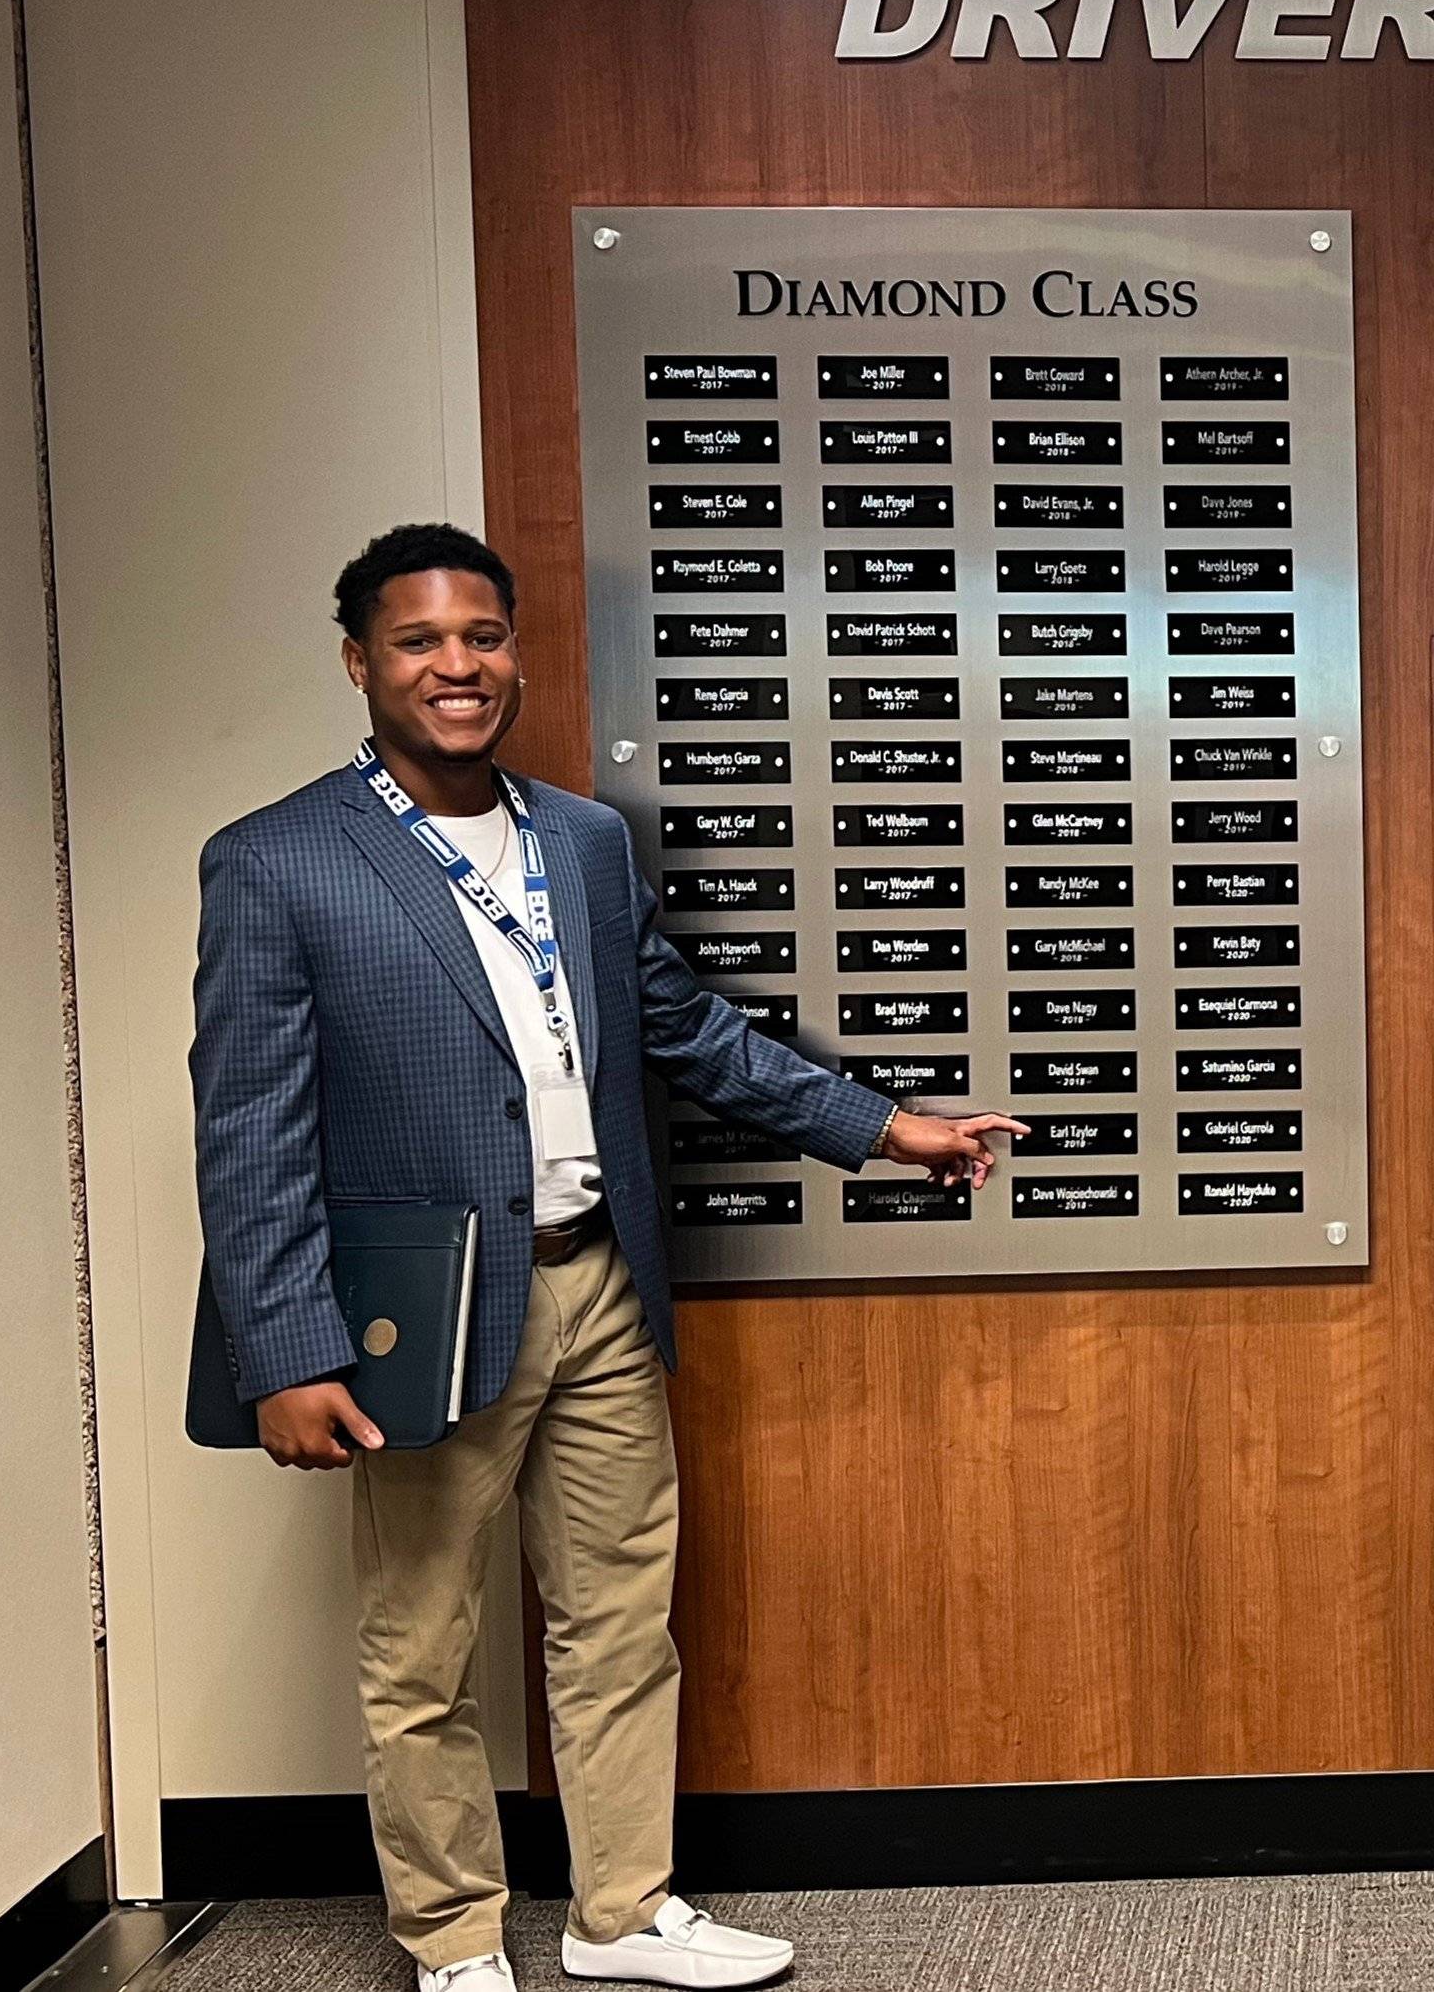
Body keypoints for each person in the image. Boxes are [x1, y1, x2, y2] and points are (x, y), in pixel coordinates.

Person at [192, 524, 1021, 1992]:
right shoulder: (277, 861)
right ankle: (451, 1942)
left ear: (515, 650)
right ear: (360, 663)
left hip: (600, 1285)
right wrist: (289, 1350)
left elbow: (685, 1031)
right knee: (421, 1646)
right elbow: (250, 1128)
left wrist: (883, 1126)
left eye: (483, 636)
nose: (459, 666)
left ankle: (623, 1914)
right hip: (428, 1317)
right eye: (419, 641)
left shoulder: (580, 838)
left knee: (621, 1622)